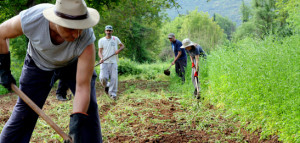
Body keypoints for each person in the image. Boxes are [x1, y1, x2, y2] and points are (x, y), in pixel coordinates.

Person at [0, 0, 102, 142]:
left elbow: (82, 87)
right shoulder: (33, 18)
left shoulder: (86, 38)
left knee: (87, 113)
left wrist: (77, 125)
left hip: (73, 64)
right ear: (57, 21)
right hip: (38, 63)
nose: (77, 34)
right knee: (24, 113)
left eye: (80, 28)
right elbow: (1, 33)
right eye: (71, 28)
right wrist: (4, 69)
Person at [98, 25, 125, 101]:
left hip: (113, 62)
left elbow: (122, 46)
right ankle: (107, 85)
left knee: (114, 78)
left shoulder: (115, 39)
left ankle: (112, 95)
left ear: (112, 31)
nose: (108, 32)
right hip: (104, 62)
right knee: (103, 78)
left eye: (110, 31)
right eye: (107, 31)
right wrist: (101, 58)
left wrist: (118, 50)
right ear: (105, 31)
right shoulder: (101, 40)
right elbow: (99, 52)